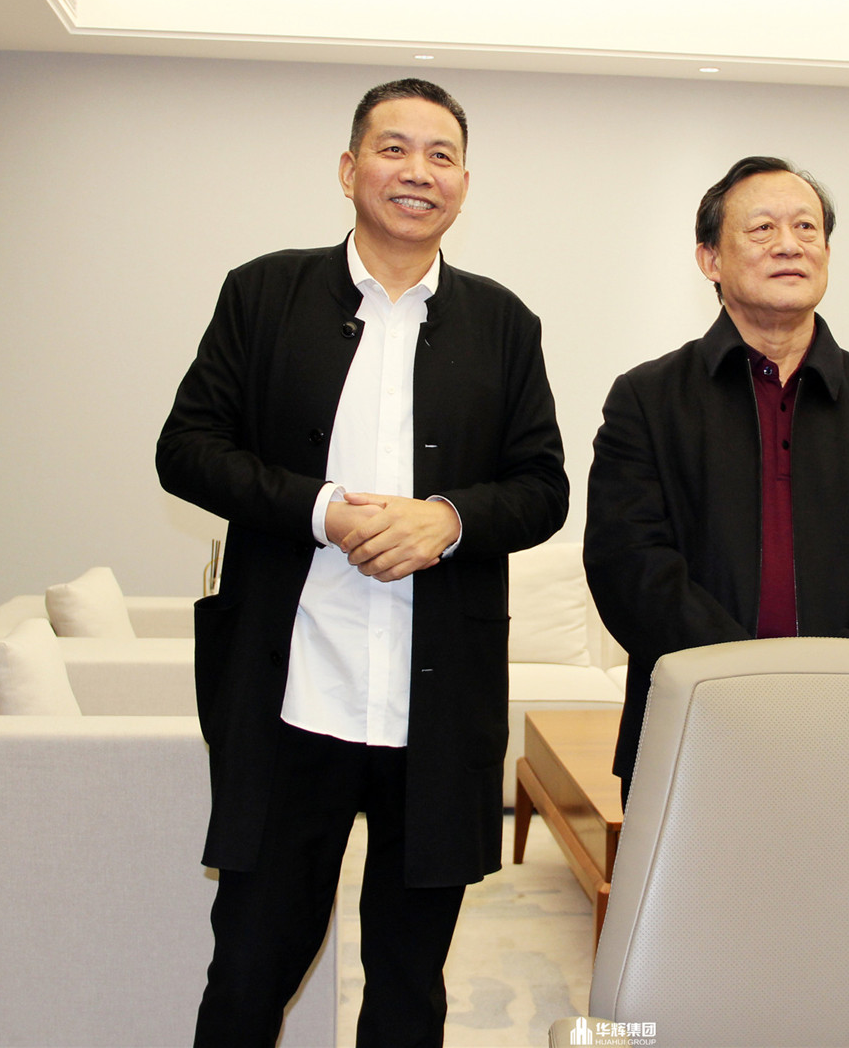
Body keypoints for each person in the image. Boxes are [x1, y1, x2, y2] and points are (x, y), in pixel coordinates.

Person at [156, 78, 567, 1047]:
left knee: (410, 983)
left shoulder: (503, 322)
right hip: (293, 689)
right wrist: (321, 510)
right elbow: (187, 448)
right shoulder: (264, 292)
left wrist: (448, 519)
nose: (417, 171)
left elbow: (543, 487)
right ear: (349, 169)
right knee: (250, 965)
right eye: (394, 148)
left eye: (440, 154)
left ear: (464, 183)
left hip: (437, 704)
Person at [584, 155, 849, 801]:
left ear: (827, 252)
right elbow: (629, 565)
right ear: (710, 259)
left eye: (806, 228)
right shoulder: (647, 399)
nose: (790, 244)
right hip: (692, 731)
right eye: (762, 228)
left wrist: (839, 686)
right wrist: (745, 687)